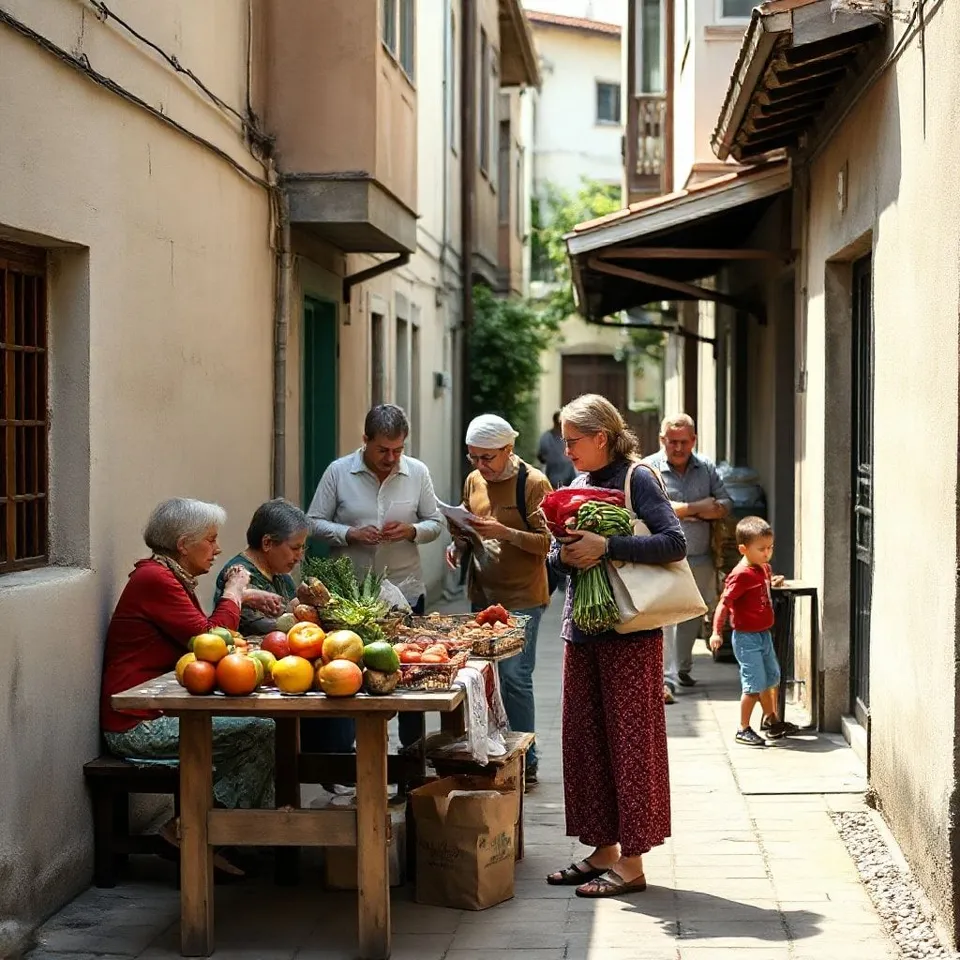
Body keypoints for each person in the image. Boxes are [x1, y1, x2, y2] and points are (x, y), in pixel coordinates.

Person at [546, 394, 686, 898]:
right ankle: (602, 849)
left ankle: (632, 863)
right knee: (585, 743)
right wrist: (564, 555)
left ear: (600, 436)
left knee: (631, 746)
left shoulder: (638, 478)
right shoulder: (578, 485)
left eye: (573, 441)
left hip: (630, 632)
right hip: (581, 631)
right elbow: (555, 564)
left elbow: (674, 543)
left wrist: (608, 546)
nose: (567, 451)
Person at [100, 498, 279, 872]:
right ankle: (191, 832)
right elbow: (210, 640)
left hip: (158, 709)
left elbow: (199, 630)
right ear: (184, 544)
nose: (217, 549)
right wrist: (233, 591)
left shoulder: (169, 576)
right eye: (211, 540)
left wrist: (244, 595)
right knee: (259, 731)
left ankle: (234, 837)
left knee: (260, 729)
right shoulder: (156, 580)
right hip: (137, 724)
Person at [307, 403, 443, 749]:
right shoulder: (339, 472)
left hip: (406, 591)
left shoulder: (417, 472)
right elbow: (311, 522)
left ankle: (411, 762)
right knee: (347, 676)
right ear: (365, 440)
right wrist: (348, 534)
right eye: (383, 449)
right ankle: (346, 762)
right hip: (351, 599)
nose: (391, 457)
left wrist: (412, 530)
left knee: (411, 675)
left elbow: (436, 523)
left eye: (398, 450)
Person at [445, 414, 552, 785]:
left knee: (515, 677)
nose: (480, 465)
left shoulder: (534, 483)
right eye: (473, 457)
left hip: (524, 595)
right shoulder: (474, 479)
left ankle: (528, 758)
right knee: (483, 677)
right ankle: (492, 752)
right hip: (483, 594)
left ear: (508, 449)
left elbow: (550, 543)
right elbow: (467, 528)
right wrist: (457, 545)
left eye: (487, 457)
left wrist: (506, 531)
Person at [643, 413, 731, 697]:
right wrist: (698, 508)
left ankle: (681, 668)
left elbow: (725, 503)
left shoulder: (705, 467)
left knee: (693, 612)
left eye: (684, 442)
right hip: (664, 557)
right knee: (667, 617)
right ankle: (665, 678)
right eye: (672, 442)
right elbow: (654, 510)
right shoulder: (648, 469)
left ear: (693, 440)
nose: (678, 448)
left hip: (700, 555)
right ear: (661, 440)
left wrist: (685, 509)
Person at [710, 516, 792, 746]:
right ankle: (743, 728)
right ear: (743, 549)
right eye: (761, 549)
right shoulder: (740, 575)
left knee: (771, 678)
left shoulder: (763, 568)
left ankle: (771, 719)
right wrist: (717, 631)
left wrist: (772, 582)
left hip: (763, 634)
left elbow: (761, 589)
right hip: (746, 639)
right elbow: (724, 603)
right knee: (754, 685)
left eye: (770, 548)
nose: (767, 553)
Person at [214, 499, 309, 635]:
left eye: (303, 548)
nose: (299, 557)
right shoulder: (238, 575)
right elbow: (254, 627)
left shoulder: (281, 574)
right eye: (295, 548)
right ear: (267, 543)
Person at [538, 410, 577, 490]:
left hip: (569, 477)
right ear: (555, 422)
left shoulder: (568, 437)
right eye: (560, 422)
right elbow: (541, 457)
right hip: (552, 478)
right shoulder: (546, 437)